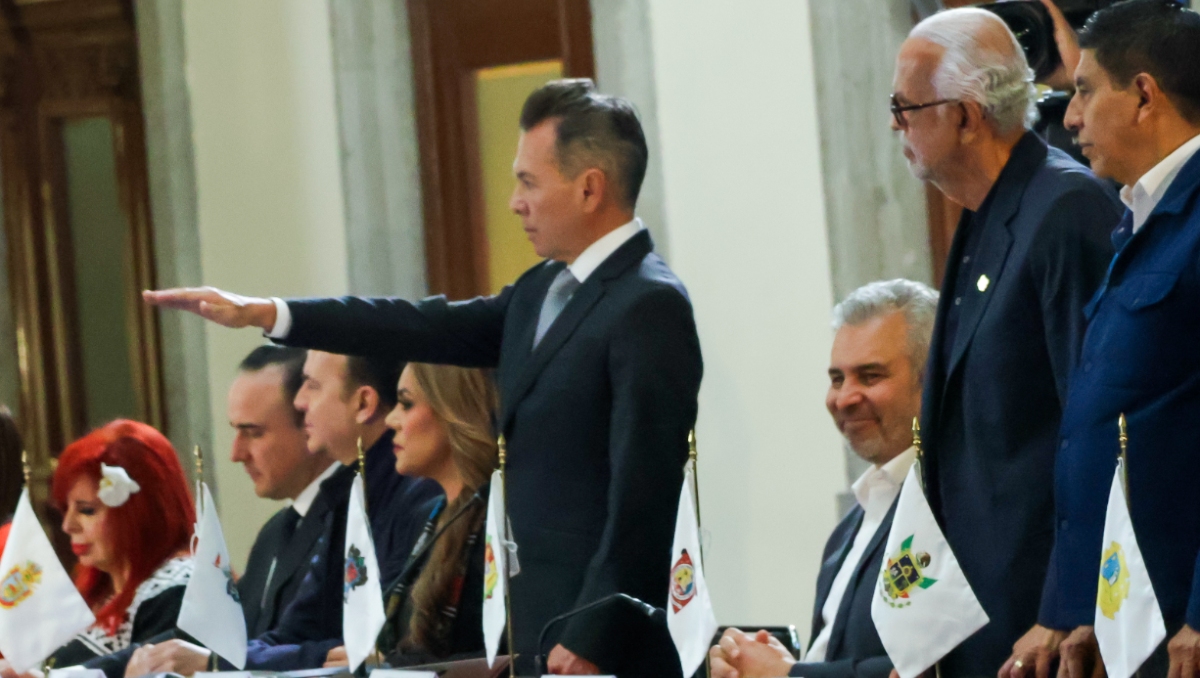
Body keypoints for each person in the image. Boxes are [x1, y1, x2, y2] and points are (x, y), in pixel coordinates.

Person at [144, 78, 702, 677]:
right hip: (539, 627)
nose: (514, 201)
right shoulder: (543, 290)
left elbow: (646, 490)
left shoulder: (647, 304)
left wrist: (598, 630)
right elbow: (419, 324)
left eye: (527, 181)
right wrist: (274, 313)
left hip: (598, 644)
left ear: (589, 187)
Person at [891, 8, 1122, 675]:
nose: (894, 124)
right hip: (983, 621)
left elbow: (1098, 426)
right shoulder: (986, 214)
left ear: (965, 114)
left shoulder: (1066, 210)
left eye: (905, 107)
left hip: (1046, 631)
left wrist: (1069, 605)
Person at [1002, 2, 1200, 676]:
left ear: (1144, 94)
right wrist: (1072, 607)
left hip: (1179, 617)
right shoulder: (1138, 223)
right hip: (1125, 612)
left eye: (1085, 90)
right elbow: (1096, 432)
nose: (1071, 116)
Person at [122, 351, 440, 673]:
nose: (301, 402)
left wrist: (220, 662)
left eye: (312, 386)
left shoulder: (416, 497)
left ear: (363, 403)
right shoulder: (338, 500)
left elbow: (384, 648)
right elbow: (298, 632)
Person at [709, 279, 937, 678]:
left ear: (930, 379)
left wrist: (790, 676)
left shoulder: (954, 509)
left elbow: (941, 666)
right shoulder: (851, 527)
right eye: (836, 379)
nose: (844, 398)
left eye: (869, 376)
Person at [323, 361, 498, 667]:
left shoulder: (500, 522)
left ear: (453, 410)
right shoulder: (426, 518)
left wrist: (389, 668)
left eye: (406, 404)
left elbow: (504, 653)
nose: (391, 420)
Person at [40, 421, 194, 667]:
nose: (68, 526)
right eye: (65, 509)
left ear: (138, 512)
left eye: (87, 510)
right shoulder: (98, 589)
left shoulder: (178, 590)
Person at [230, 345, 338, 637]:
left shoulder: (349, 517)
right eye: (235, 431)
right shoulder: (275, 531)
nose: (236, 454)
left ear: (309, 424)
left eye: (254, 433)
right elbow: (226, 630)